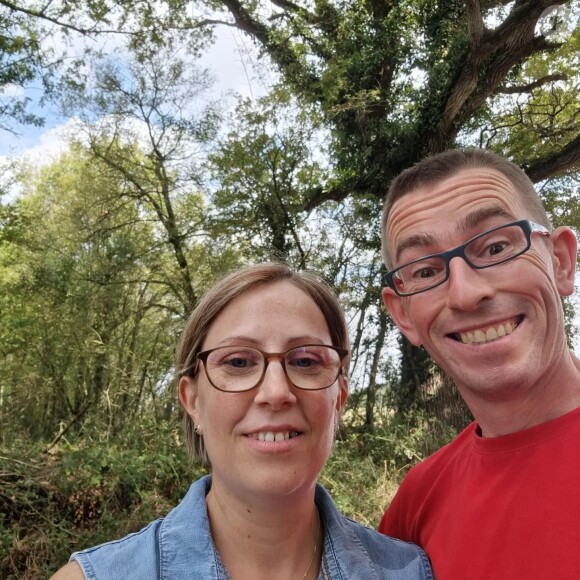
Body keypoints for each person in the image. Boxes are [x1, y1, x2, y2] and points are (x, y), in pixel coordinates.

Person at [52, 262, 432, 580]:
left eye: (305, 361)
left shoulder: (411, 572)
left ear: (338, 400)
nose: (275, 392)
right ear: (193, 401)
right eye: (238, 361)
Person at [378, 148, 580, 579]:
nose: (466, 293)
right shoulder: (416, 505)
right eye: (426, 272)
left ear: (561, 261)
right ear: (403, 316)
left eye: (495, 246)